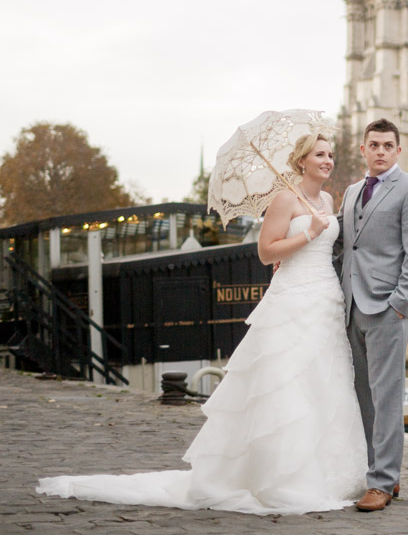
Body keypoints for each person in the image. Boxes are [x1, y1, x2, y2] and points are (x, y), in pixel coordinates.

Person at [37, 132, 367, 515]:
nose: (327, 160)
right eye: (319, 154)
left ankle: (329, 474)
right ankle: (282, 478)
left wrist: (313, 237)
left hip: (325, 299)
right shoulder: (284, 199)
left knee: (324, 383)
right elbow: (265, 252)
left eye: (330, 154)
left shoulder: (327, 200)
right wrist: (306, 234)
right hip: (292, 301)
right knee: (286, 385)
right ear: (302, 161)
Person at [337, 117, 408, 512]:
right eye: (373, 145)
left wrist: (400, 304)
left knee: (387, 397)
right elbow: (346, 249)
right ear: (363, 149)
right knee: (363, 395)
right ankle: (379, 473)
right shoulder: (350, 192)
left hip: (387, 309)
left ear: (398, 150)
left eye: (387, 145)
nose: (379, 151)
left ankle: (382, 482)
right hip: (351, 307)